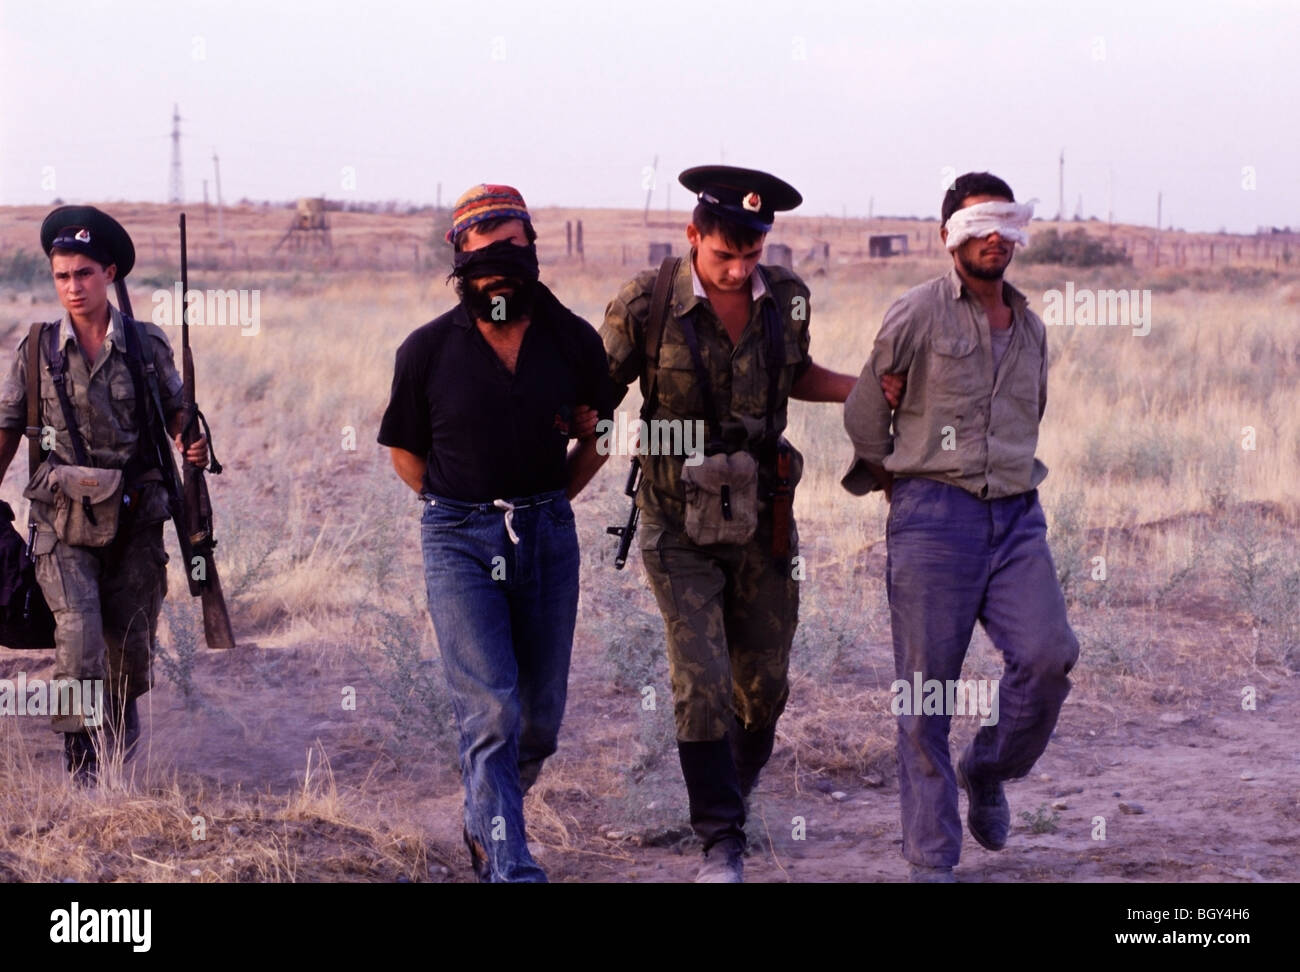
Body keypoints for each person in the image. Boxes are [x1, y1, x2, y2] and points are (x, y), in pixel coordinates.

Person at [599, 165, 899, 882]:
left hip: (765, 515)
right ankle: (720, 840)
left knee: (762, 685)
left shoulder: (787, 297)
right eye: (722, 255)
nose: (737, 271)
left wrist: (866, 390)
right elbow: (595, 393)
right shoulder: (646, 301)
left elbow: (793, 374)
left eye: (752, 255)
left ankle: (735, 790)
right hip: (675, 518)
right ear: (693, 234)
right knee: (698, 676)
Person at [842, 171, 1081, 882]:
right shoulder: (915, 313)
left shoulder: (1032, 327)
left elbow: (1030, 416)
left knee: (1048, 655)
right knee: (926, 694)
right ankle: (932, 860)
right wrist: (901, 483)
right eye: (976, 227)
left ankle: (989, 767)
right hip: (932, 518)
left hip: (1015, 518)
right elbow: (863, 413)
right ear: (948, 236)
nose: (992, 240)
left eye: (1004, 227)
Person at [378, 184, 609, 883]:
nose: (496, 270)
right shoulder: (424, 352)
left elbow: (595, 437)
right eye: (479, 259)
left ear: (532, 251)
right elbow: (403, 453)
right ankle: (510, 865)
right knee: (491, 712)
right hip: (457, 540)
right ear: (460, 265)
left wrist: (547, 505)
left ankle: (485, 819)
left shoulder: (572, 341)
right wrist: (458, 512)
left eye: (509, 251)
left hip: (546, 533)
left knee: (539, 721)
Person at [0, 205, 209, 785]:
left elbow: (177, 413)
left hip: (135, 520)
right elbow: (9, 426)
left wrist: (191, 443)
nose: (73, 287)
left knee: (127, 640)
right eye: (62, 276)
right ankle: (82, 763)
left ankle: (117, 740)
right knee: (77, 632)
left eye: (84, 273)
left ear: (109, 273)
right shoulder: (36, 349)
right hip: (60, 520)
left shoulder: (145, 345)